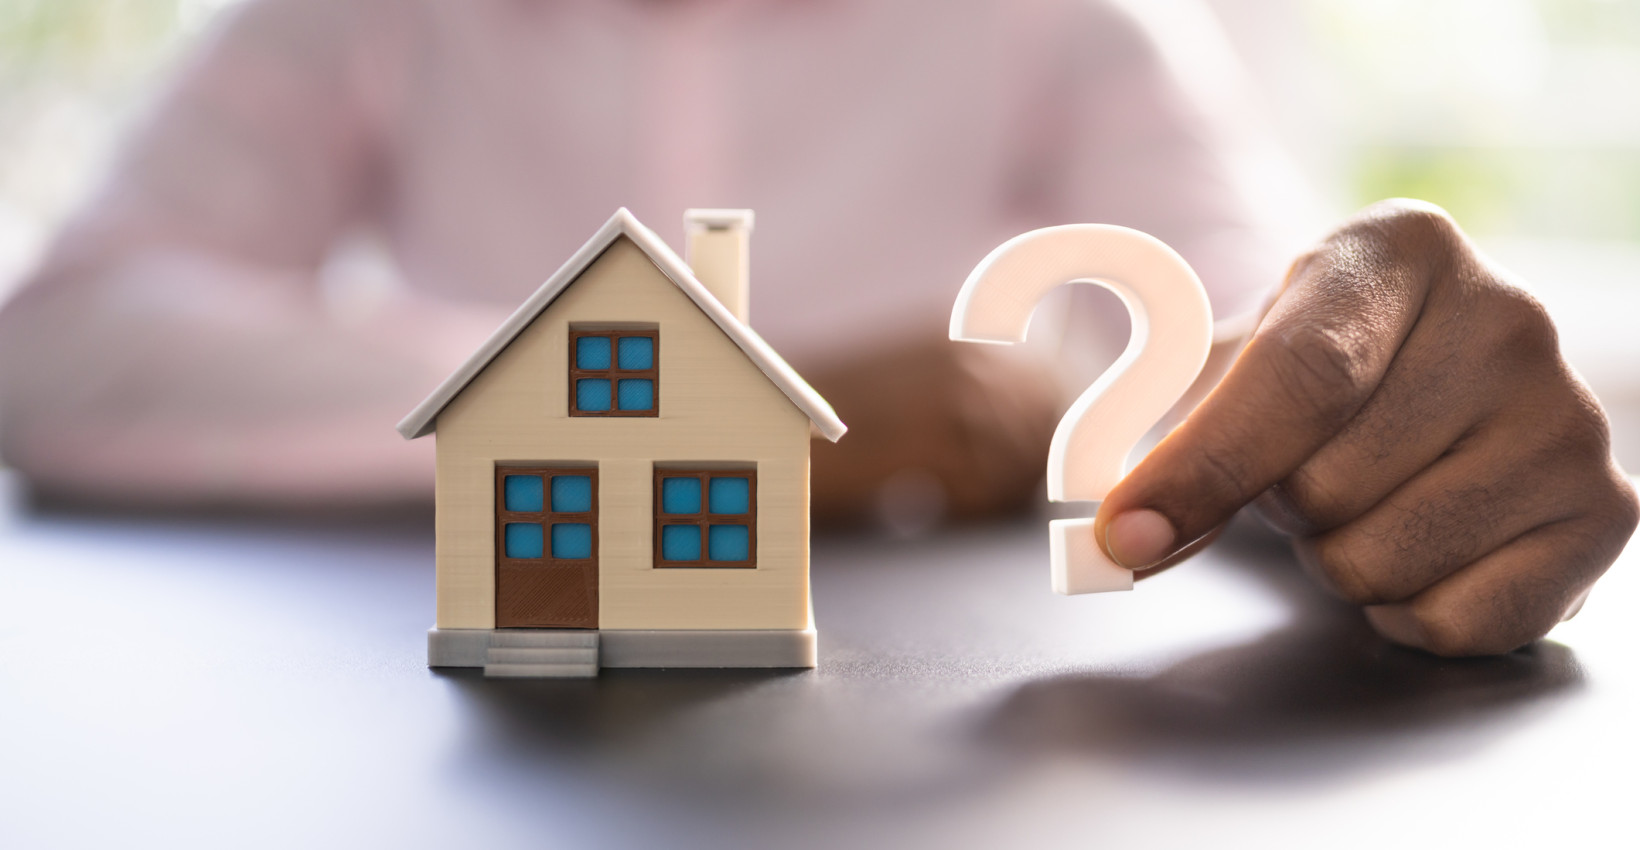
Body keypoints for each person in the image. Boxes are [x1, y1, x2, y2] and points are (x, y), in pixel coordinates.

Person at [0, 0, 1632, 657]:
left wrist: (1387, 394)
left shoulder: (1062, 15)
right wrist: (712, 419)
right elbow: (62, 341)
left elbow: (1244, 317)